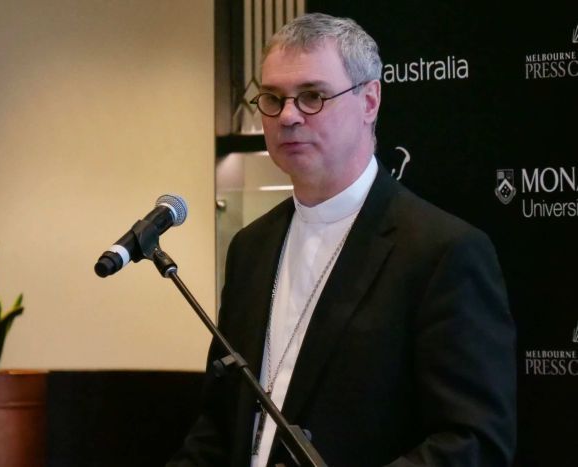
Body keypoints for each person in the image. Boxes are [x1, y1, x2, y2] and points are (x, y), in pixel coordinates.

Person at [168, 13, 516, 467]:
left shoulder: (441, 251)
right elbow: (219, 422)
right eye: (272, 98)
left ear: (370, 101)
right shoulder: (250, 247)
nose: (288, 116)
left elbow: (473, 441)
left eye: (312, 96)